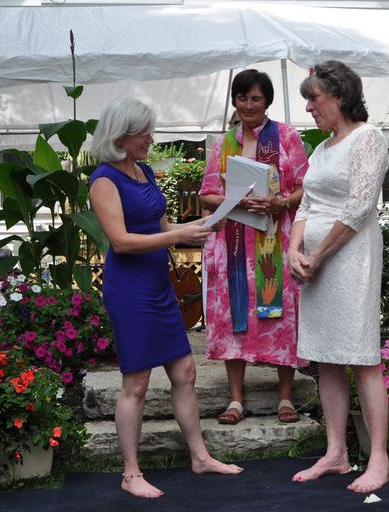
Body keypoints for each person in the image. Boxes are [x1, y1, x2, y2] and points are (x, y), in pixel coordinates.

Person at [88, 97, 243, 499]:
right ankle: (130, 474)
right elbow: (121, 242)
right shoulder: (104, 180)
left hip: (158, 286)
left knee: (185, 372)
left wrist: (202, 223)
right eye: (144, 133)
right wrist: (180, 235)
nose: (151, 140)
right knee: (137, 382)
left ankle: (200, 457)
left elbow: (162, 227)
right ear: (121, 136)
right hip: (130, 290)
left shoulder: (143, 172)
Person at [288, 61, 389, 493]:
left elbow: (359, 207)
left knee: (361, 357)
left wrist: (318, 256)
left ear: (340, 95)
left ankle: (379, 459)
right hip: (315, 264)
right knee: (326, 357)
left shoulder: (368, 138)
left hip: (350, 260)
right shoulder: (322, 149)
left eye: (313, 98)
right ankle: (336, 453)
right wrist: (295, 250)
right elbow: (306, 204)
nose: (308, 107)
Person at [199, 69, 309, 425]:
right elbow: (206, 195)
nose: (248, 105)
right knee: (235, 318)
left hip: (274, 242)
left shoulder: (287, 137)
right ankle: (235, 400)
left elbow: (306, 187)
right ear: (234, 100)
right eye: (242, 98)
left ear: (267, 102)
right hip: (233, 247)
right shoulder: (222, 144)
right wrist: (235, 201)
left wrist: (281, 202)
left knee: (281, 317)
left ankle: (286, 397)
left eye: (256, 98)